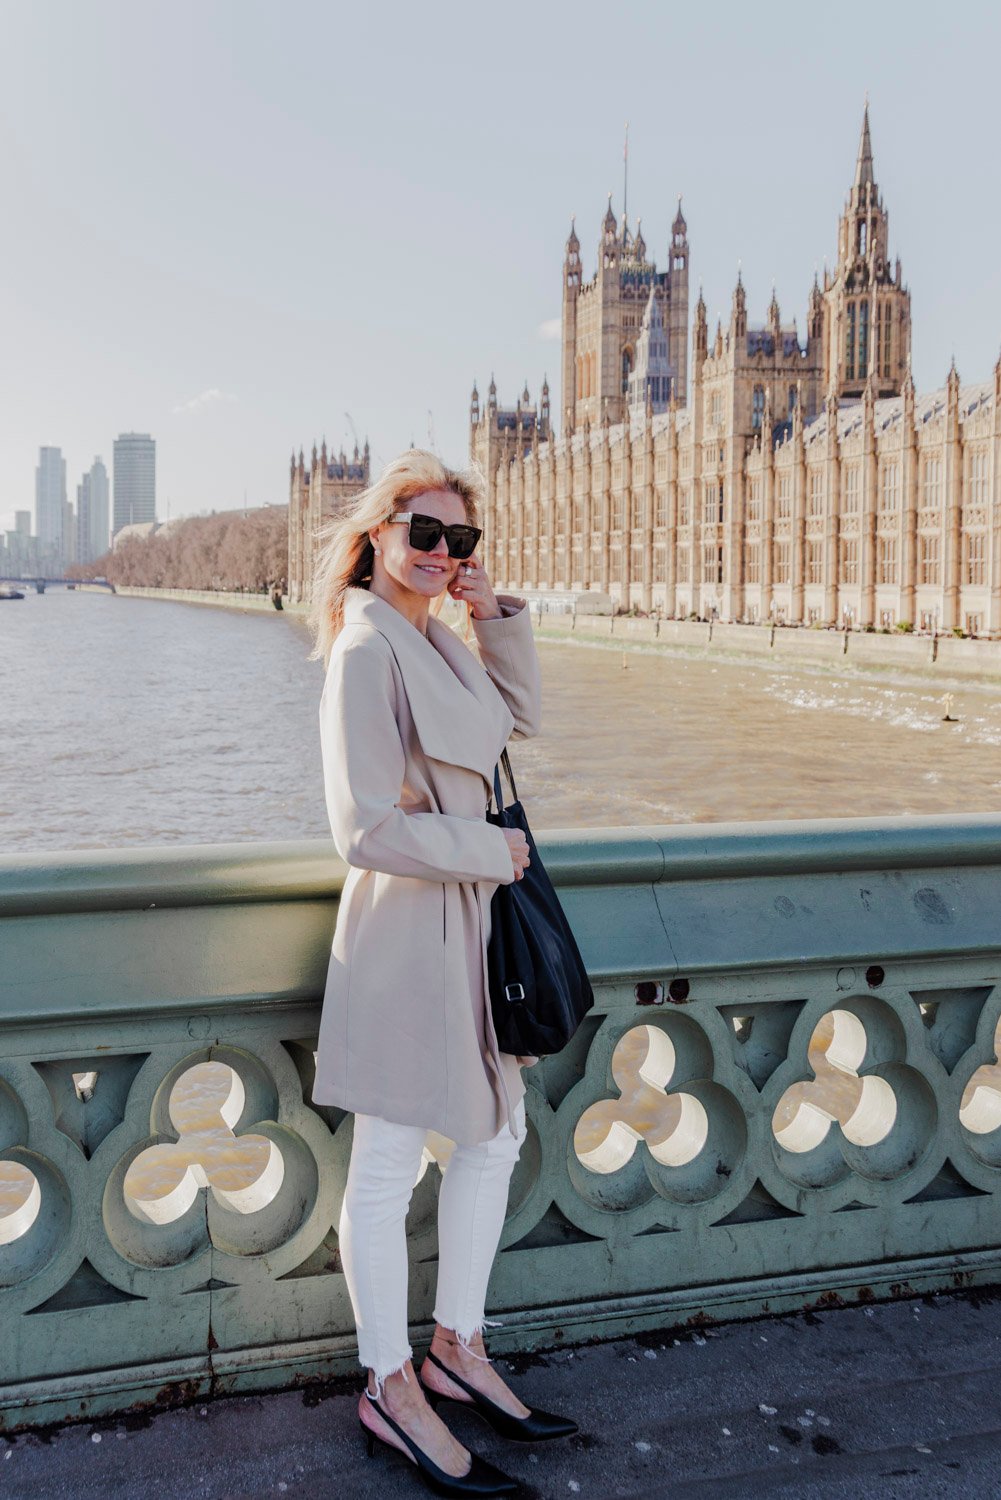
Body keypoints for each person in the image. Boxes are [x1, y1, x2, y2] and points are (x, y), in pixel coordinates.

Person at [308, 451, 577, 1497]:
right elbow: (361, 827)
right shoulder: (364, 649)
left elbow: (522, 719)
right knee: (386, 1163)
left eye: (457, 538)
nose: (438, 551)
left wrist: (490, 611)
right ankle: (387, 1383)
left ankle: (457, 1347)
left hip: (473, 927)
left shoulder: (439, 640)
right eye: (421, 532)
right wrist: (486, 850)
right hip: (409, 934)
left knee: (493, 1136)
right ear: (376, 534)